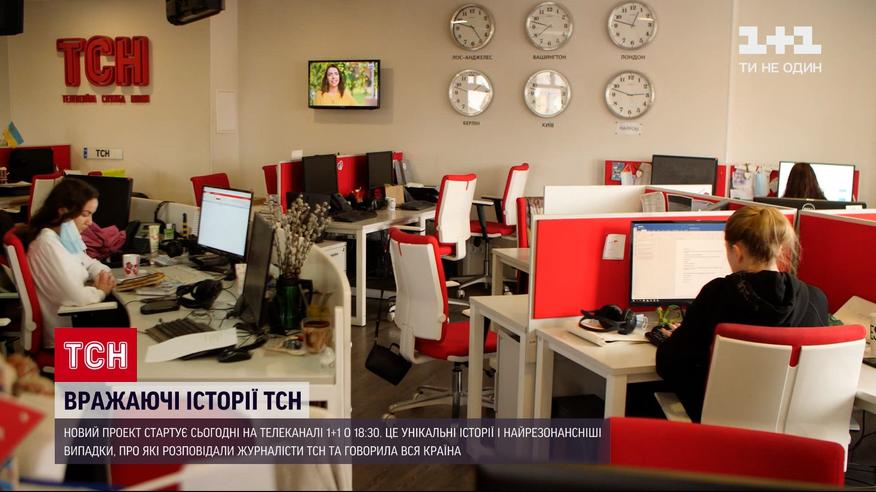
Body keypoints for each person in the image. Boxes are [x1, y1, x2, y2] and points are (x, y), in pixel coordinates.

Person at [653, 205, 829, 422]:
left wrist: (674, 340)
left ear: (737, 251)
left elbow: (670, 365)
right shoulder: (815, 298)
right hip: (792, 429)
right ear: (778, 247)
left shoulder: (717, 294)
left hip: (723, 424)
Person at [25, 178, 117, 349]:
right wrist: (100, 292)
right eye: (85, 214)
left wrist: (103, 275)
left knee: (137, 343)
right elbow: (76, 297)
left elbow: (90, 263)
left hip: (75, 332)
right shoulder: (47, 245)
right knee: (139, 353)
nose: (90, 222)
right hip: (65, 343)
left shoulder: (64, 238)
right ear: (63, 211)